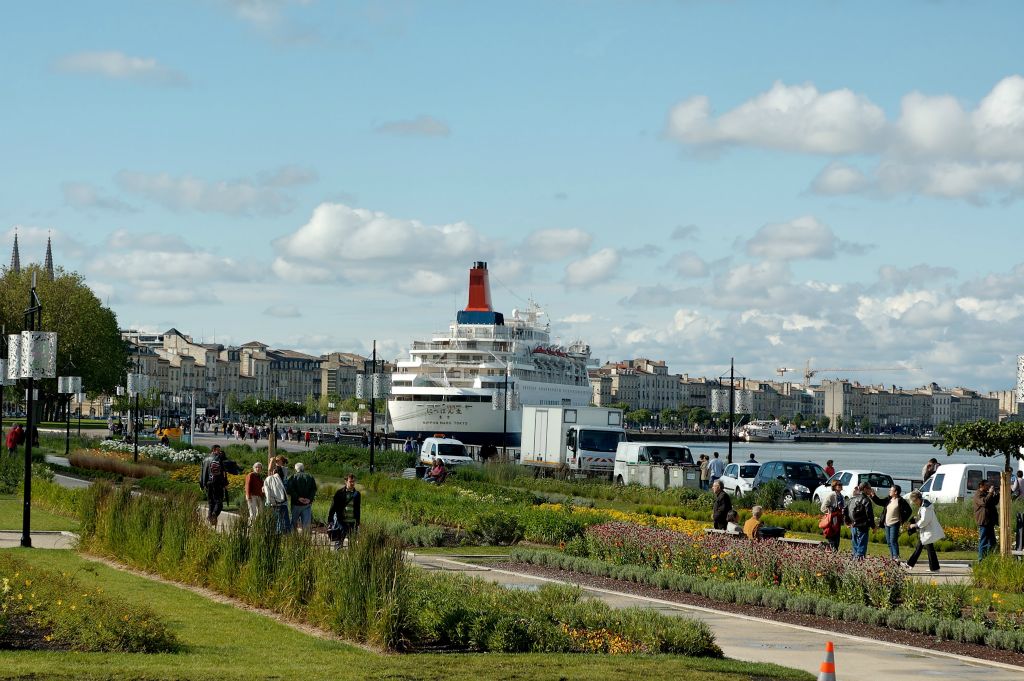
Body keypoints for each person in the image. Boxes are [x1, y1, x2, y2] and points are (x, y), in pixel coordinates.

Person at [868, 484, 913, 560]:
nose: (889, 491)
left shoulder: (901, 501)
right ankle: (893, 558)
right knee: (889, 542)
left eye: (891, 490)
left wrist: (901, 520)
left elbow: (909, 511)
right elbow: (879, 502)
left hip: (894, 524)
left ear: (895, 492)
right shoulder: (889, 499)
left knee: (893, 541)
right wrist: (873, 495)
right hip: (886, 524)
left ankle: (896, 558)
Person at [906, 490, 944, 572]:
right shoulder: (924, 505)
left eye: (914, 501)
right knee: (927, 549)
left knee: (920, 548)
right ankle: (934, 568)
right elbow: (924, 518)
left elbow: (924, 520)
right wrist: (917, 519)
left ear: (918, 499)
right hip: (926, 531)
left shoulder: (925, 507)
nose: (915, 503)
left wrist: (915, 525)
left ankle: (909, 564)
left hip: (928, 531)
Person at [327, 474, 361, 549]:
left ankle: (351, 558)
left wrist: (358, 522)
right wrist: (330, 520)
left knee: (352, 543)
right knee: (339, 542)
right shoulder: (339, 493)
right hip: (341, 521)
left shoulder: (357, 494)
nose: (352, 483)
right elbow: (333, 507)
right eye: (350, 481)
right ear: (346, 481)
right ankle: (337, 557)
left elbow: (358, 508)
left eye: (353, 481)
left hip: (353, 521)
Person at [200, 445, 228, 527]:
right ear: (214, 450)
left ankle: (210, 518)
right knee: (219, 502)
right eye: (218, 450)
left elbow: (202, 472)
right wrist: (225, 484)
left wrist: (201, 484)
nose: (219, 452)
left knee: (211, 502)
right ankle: (214, 515)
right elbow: (223, 473)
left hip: (208, 483)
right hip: (217, 483)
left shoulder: (205, 459)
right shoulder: (218, 459)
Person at [846, 482, 876, 559]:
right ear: (865, 489)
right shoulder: (866, 500)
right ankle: (859, 562)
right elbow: (870, 515)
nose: (871, 490)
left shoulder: (852, 498)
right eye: (870, 488)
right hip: (863, 525)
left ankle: (855, 563)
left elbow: (845, 510)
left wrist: (848, 522)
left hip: (853, 525)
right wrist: (873, 526)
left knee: (855, 546)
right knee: (862, 546)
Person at [286, 462, 317, 532]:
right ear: (303, 468)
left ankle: (293, 539)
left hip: (296, 504)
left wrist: (298, 498)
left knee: (293, 524)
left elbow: (289, 490)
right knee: (306, 525)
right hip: (307, 504)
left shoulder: (293, 477)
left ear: (296, 469)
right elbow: (314, 489)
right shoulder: (310, 477)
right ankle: (305, 541)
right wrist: (309, 499)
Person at [973, 479, 999, 560]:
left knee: (992, 542)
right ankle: (981, 560)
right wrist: (990, 493)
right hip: (983, 521)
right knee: (983, 541)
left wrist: (997, 494)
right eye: (987, 485)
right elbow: (984, 502)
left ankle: (989, 559)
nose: (988, 486)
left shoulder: (986, 493)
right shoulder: (978, 494)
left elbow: (993, 502)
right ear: (981, 485)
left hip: (989, 521)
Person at [263, 460, 291, 534]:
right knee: (285, 520)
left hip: (274, 503)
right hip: (284, 503)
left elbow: (267, 492)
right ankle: (287, 534)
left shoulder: (269, 479)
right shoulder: (284, 479)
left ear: (274, 471)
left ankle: (278, 534)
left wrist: (268, 502)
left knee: (277, 520)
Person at [819, 479, 846, 552]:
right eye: (839, 485)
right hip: (832, 520)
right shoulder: (831, 495)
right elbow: (823, 508)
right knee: (831, 536)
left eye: (841, 485)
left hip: (839, 520)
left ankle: (834, 550)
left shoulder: (842, 497)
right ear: (834, 486)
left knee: (837, 538)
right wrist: (830, 512)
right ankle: (829, 549)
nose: (840, 486)